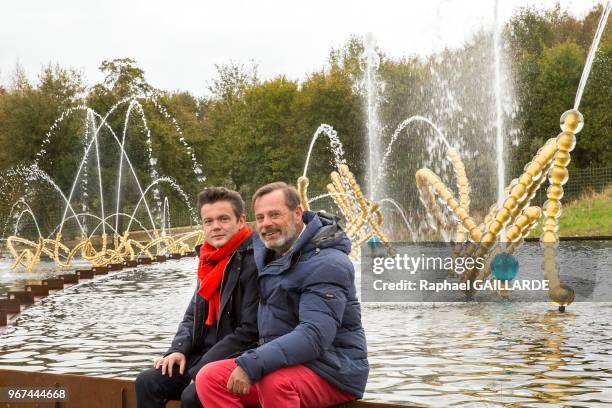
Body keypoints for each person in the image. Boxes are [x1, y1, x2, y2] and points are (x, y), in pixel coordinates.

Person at [195, 182, 369, 408]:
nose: (266, 224)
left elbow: (315, 335)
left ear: (298, 214)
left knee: (274, 383)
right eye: (260, 218)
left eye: (274, 214)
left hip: (333, 369)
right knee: (209, 377)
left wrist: (253, 363)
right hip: (286, 363)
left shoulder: (327, 263)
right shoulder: (270, 255)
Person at [135, 187, 259, 408]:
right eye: (208, 221)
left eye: (223, 219)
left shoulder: (255, 261)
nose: (215, 227)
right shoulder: (208, 261)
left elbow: (250, 330)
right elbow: (193, 314)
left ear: (241, 221)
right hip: (203, 355)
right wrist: (177, 349)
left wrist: (202, 367)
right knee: (147, 381)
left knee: (193, 396)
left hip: (237, 358)